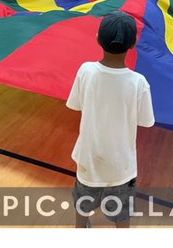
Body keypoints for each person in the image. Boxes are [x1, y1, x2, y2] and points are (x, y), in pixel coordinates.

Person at [66, 12, 154, 228]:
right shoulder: (138, 82)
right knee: (122, 217)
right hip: (121, 166)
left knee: (82, 207)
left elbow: (75, 105)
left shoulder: (85, 71)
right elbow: (146, 121)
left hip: (89, 160)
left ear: (97, 38)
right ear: (133, 43)